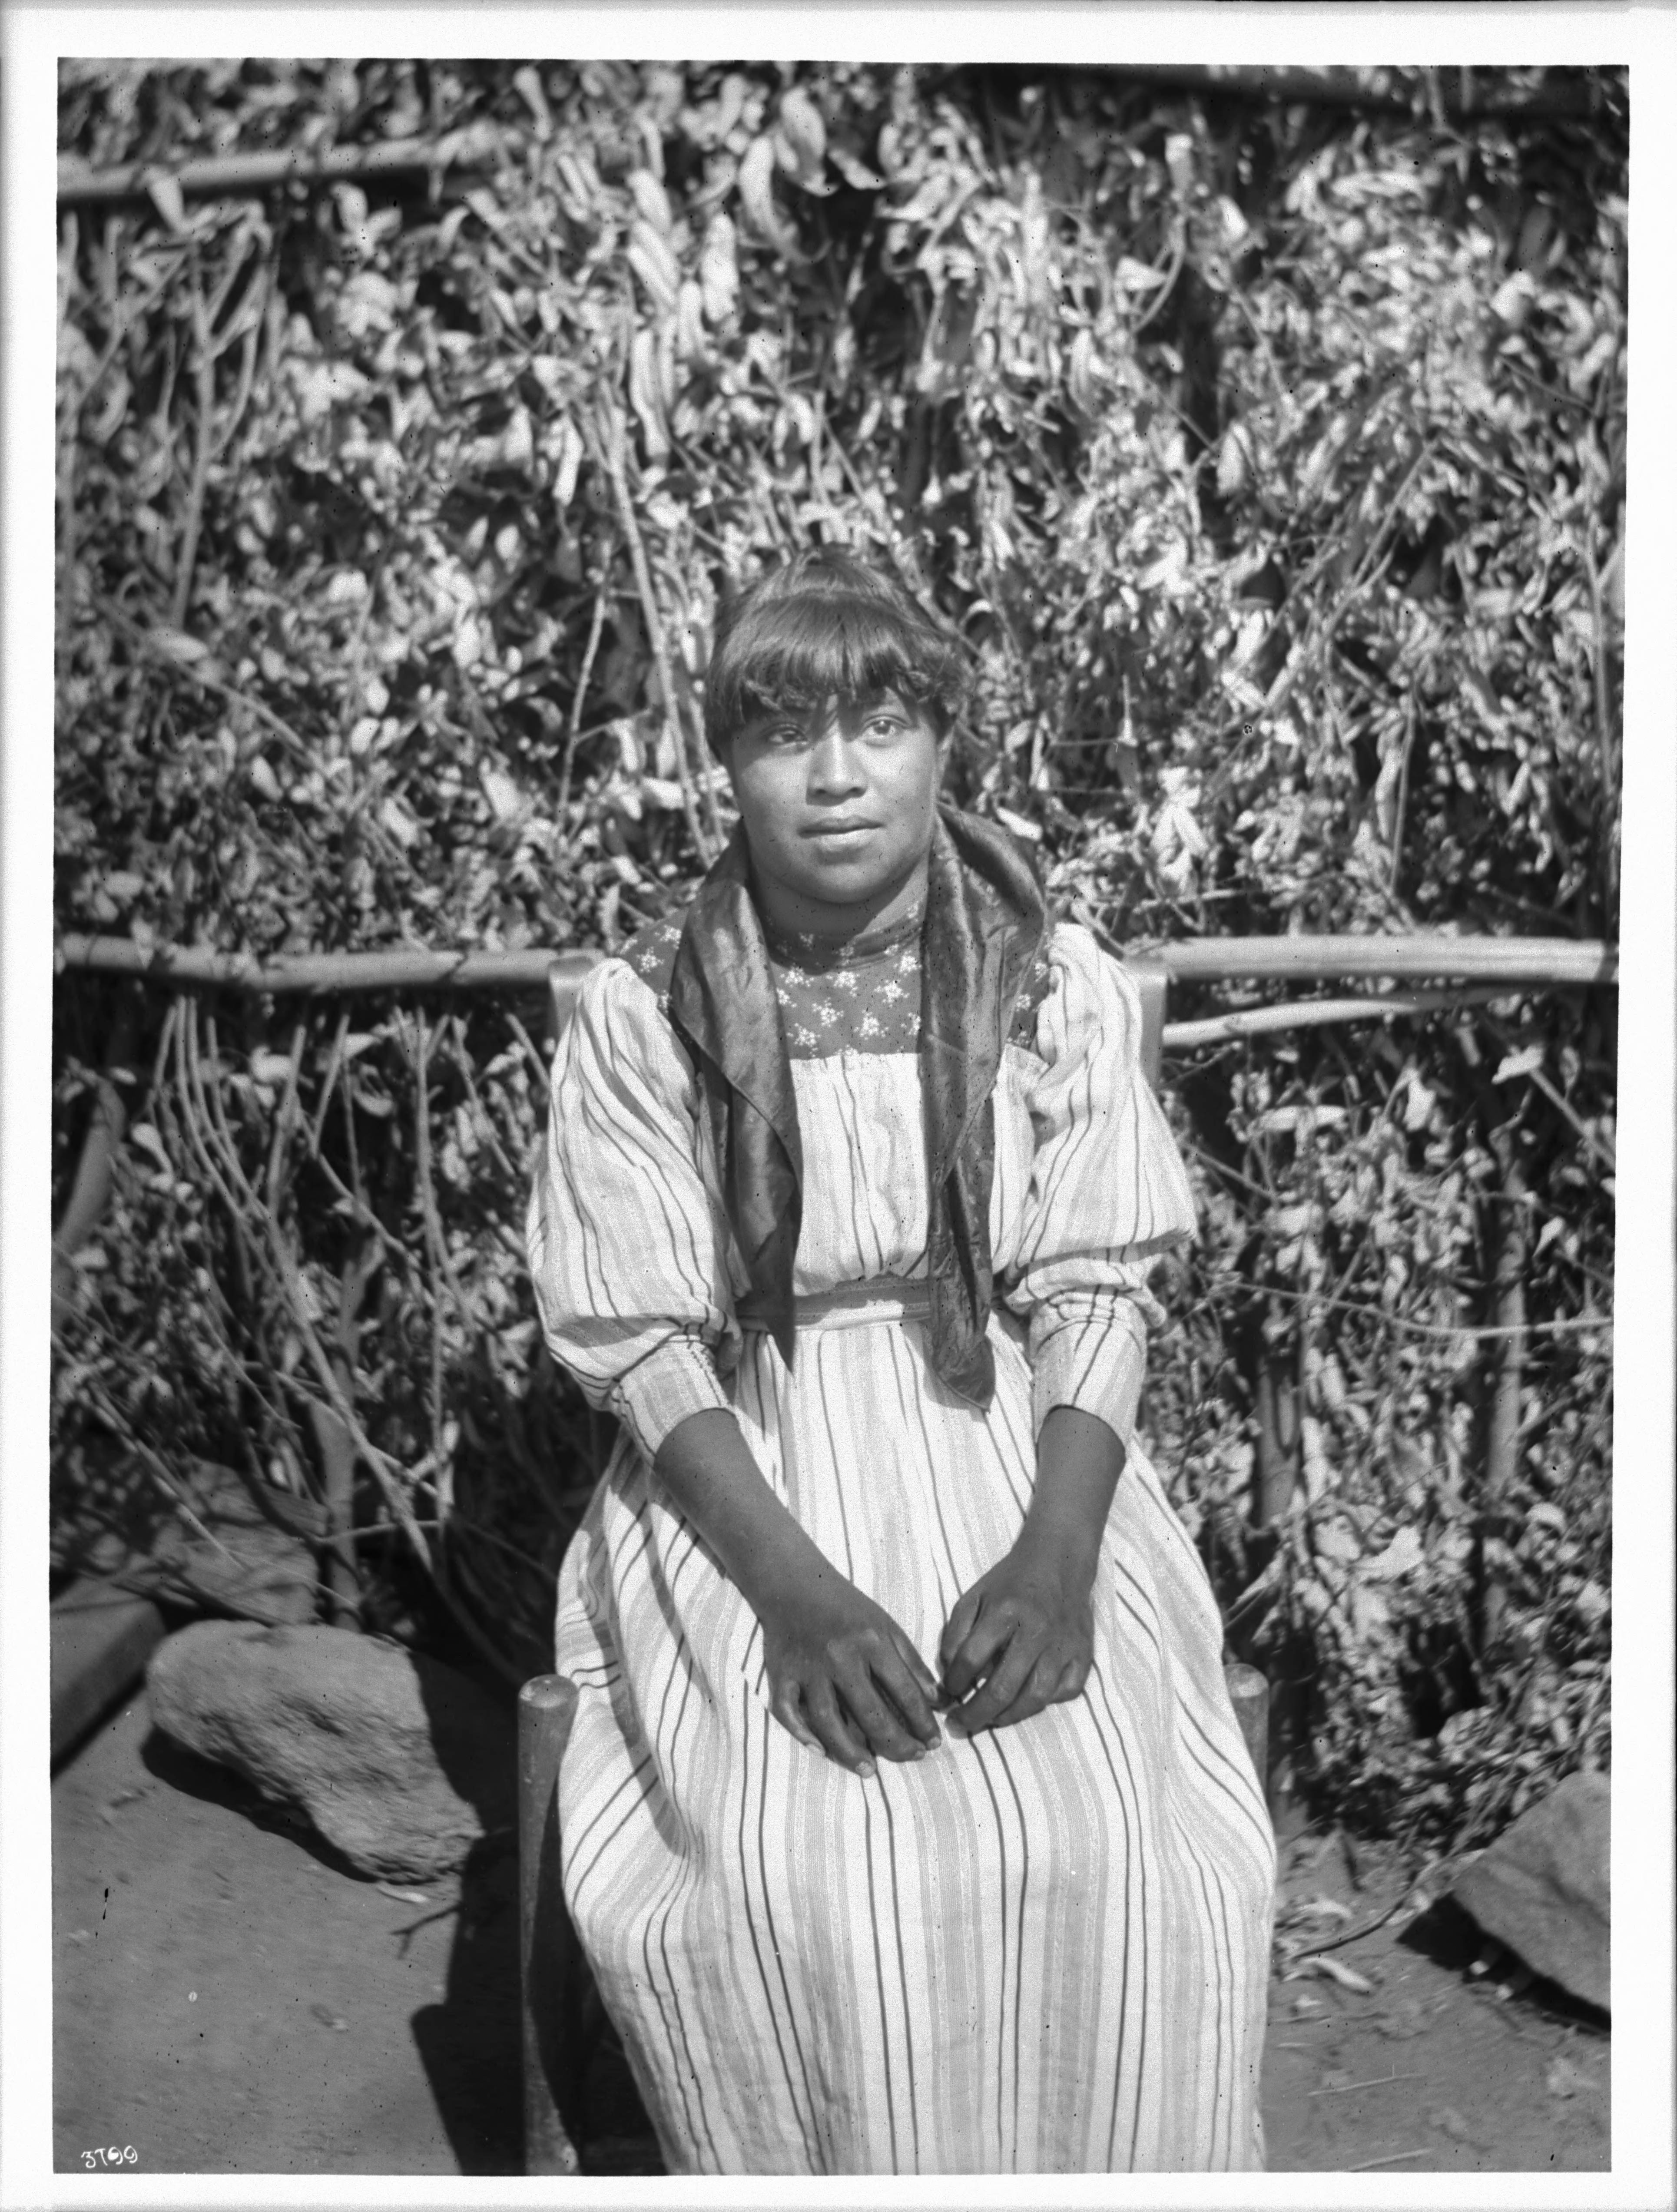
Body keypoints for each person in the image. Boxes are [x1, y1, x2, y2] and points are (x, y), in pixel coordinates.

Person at [526, 549, 1275, 2175]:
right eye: (786, 732)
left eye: (883, 722)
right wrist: (795, 1599)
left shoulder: (1038, 980)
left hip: (1015, 1444)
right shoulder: (645, 1013)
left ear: (946, 740)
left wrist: (1060, 1558)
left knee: (1123, 1844)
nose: (839, 774)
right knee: (813, 1874)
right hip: (743, 1464)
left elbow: (1094, 1280)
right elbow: (644, 1343)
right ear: (724, 764)